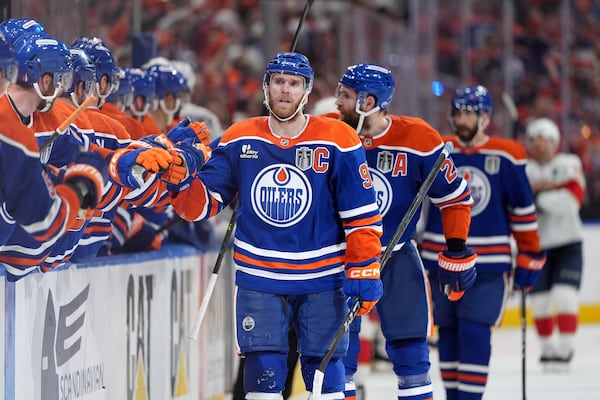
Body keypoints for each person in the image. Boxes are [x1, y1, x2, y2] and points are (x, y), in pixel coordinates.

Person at [155, 52, 384, 400]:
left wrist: (365, 265)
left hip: (322, 278)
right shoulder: (240, 137)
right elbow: (202, 205)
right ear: (265, 88)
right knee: (262, 378)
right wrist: (180, 181)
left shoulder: (338, 138)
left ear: (306, 92)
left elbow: (362, 215)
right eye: (278, 81)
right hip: (259, 279)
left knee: (327, 378)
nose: (285, 90)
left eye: (294, 84)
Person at [331, 63, 475, 400]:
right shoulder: (327, 131)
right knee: (337, 352)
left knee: (412, 352)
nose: (337, 101)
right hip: (340, 256)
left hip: (396, 256)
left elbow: (455, 197)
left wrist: (456, 248)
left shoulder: (419, 138)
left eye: (346, 95)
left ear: (368, 102)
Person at [419, 85, 546, 400]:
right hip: (440, 261)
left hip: (488, 264)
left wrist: (529, 252)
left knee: (475, 330)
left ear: (485, 118)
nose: (461, 120)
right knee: (447, 333)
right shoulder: (439, 149)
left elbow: (522, 208)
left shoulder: (507, 154)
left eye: (469, 113)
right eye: (458, 113)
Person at [524, 117, 585, 366]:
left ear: (555, 143)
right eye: (536, 140)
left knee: (565, 296)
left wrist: (538, 198)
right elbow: (517, 205)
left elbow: (571, 203)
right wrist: (549, 195)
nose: (541, 146)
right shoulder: (524, 168)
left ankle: (566, 349)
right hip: (537, 244)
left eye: (546, 140)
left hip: (568, 242)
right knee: (539, 302)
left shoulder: (569, 164)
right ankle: (548, 351)